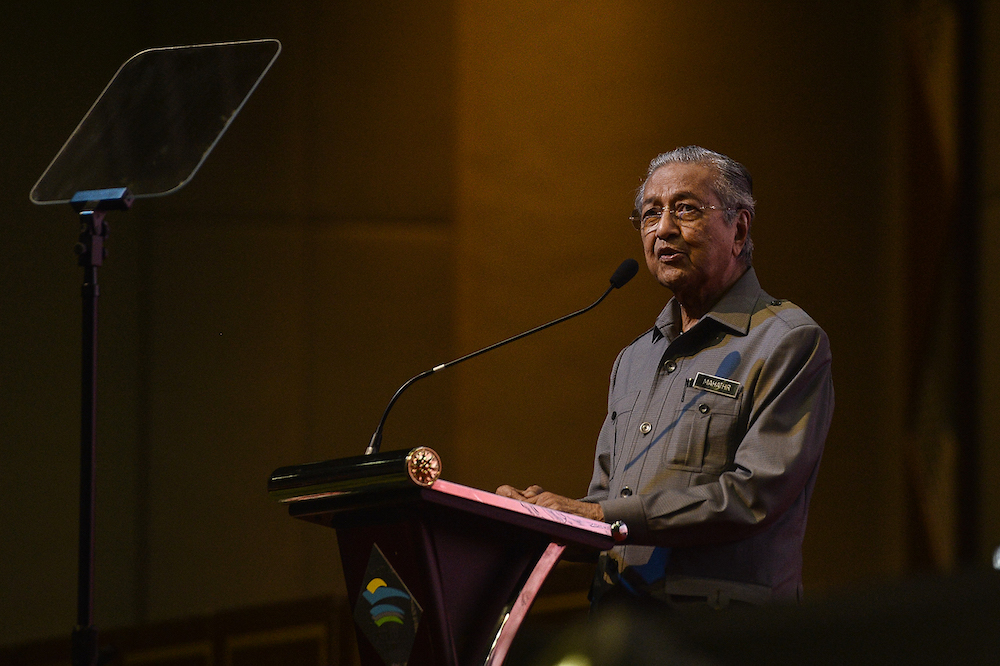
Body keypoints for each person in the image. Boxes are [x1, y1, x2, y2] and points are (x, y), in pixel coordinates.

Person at [497, 146, 834, 610]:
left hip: (719, 637)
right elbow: (606, 512)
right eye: (650, 213)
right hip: (621, 628)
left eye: (686, 209)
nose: (664, 229)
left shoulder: (787, 342)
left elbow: (751, 497)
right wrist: (533, 522)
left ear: (739, 229)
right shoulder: (633, 359)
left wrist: (598, 515)